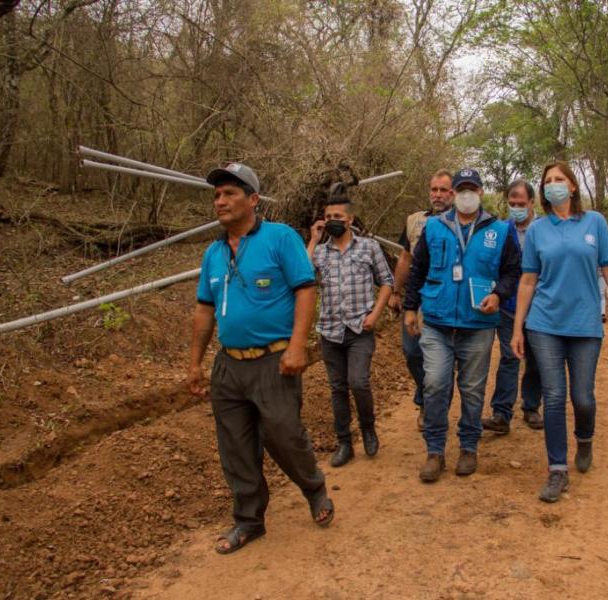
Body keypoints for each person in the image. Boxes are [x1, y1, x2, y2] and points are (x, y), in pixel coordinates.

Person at [187, 162, 334, 555]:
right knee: (235, 446)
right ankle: (249, 521)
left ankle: (314, 488)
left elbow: (305, 290)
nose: (221, 201)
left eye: (230, 193)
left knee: (284, 434)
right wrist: (195, 362)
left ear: (253, 200)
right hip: (229, 365)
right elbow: (204, 310)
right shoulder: (213, 254)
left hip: (274, 361)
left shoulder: (280, 238)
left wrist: (298, 345)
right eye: (217, 195)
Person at [511, 160, 608, 503]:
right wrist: (518, 327)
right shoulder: (537, 230)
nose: (553, 185)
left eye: (559, 179)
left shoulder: (594, 222)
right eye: (547, 180)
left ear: (573, 186)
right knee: (553, 396)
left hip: (585, 325)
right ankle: (557, 470)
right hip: (544, 324)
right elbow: (528, 280)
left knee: (582, 397)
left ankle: (585, 437)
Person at [403, 168, 521, 482]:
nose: (466, 194)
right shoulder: (433, 228)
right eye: (461, 189)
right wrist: (410, 308)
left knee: (471, 390)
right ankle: (435, 451)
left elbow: (513, 271)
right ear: (453, 193)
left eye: (472, 188)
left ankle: (469, 446)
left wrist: (499, 294)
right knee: (436, 385)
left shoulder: (500, 230)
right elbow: (417, 270)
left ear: (481, 192)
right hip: (438, 322)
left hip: (478, 324)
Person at [307, 187, 394, 468]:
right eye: (328, 215)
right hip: (330, 330)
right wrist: (313, 239)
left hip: (360, 328)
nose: (333, 219)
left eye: (338, 215)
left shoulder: (369, 247)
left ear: (350, 218)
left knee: (358, 382)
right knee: (337, 388)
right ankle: (344, 442)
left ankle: (368, 428)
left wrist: (376, 314)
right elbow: (302, 275)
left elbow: (387, 282)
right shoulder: (320, 253)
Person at [388, 169, 455, 430]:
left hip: (448, 300)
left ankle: (433, 410)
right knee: (412, 351)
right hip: (418, 298)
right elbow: (406, 258)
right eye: (434, 189)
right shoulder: (415, 221)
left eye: (443, 190)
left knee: (444, 360)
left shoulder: (461, 222)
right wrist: (396, 291)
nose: (437, 195)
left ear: (453, 192)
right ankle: (425, 396)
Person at [481, 179, 543, 434]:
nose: (516, 207)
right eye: (512, 203)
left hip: (539, 305)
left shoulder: (545, 228)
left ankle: (531, 406)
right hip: (508, 304)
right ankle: (501, 413)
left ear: (531, 203)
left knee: (536, 358)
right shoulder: (500, 230)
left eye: (521, 203)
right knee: (509, 356)